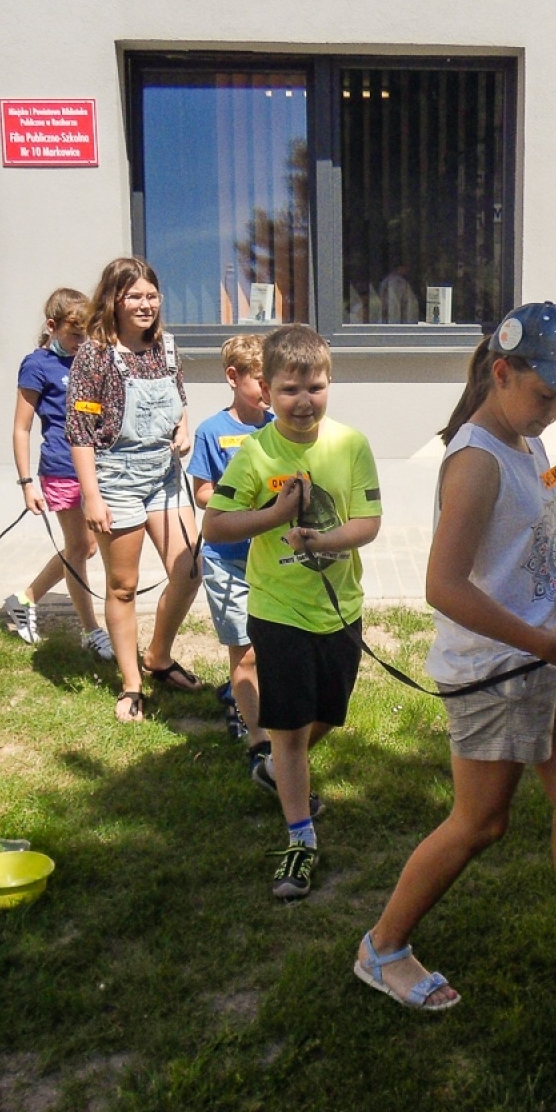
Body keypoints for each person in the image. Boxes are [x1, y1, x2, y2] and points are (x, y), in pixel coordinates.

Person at [354, 302, 556, 1013]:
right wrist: (545, 641)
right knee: (481, 822)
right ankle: (382, 948)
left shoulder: (532, 450)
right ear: (501, 373)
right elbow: (441, 587)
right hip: (496, 670)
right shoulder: (475, 462)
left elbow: (548, 528)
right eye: (546, 394)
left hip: (540, 655)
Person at [201, 324, 382, 900]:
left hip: (340, 609)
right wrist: (277, 516)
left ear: (329, 385)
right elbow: (216, 525)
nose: (304, 401)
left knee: (326, 714)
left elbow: (368, 523)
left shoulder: (351, 445)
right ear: (266, 389)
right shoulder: (255, 452)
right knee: (287, 725)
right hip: (278, 612)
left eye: (316, 387)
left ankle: (281, 769)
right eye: (289, 390)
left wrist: (323, 542)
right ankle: (299, 838)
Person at [66, 257, 205, 723]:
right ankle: (130, 684)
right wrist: (92, 496)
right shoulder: (94, 355)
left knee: (189, 570)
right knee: (123, 586)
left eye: (151, 295)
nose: (145, 305)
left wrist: (184, 430)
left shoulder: (165, 347)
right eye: (135, 296)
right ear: (114, 300)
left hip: (165, 474)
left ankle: (159, 656)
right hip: (116, 479)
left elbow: (180, 399)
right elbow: (81, 430)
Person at [0, 287, 113, 661]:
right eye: (74, 334)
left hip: (96, 471)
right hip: (61, 471)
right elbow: (21, 427)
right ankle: (91, 631)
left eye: (87, 334)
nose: (82, 342)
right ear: (52, 326)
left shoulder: (91, 360)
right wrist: (26, 482)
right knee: (81, 548)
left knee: (86, 547)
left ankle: (25, 598)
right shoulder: (38, 365)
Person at [185, 333, 274, 759]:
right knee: (244, 647)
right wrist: (244, 498)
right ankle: (256, 735)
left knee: (267, 645)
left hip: (271, 560)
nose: (269, 390)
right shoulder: (211, 431)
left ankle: (250, 701)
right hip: (227, 560)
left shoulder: (278, 428)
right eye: (261, 380)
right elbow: (202, 493)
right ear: (233, 377)